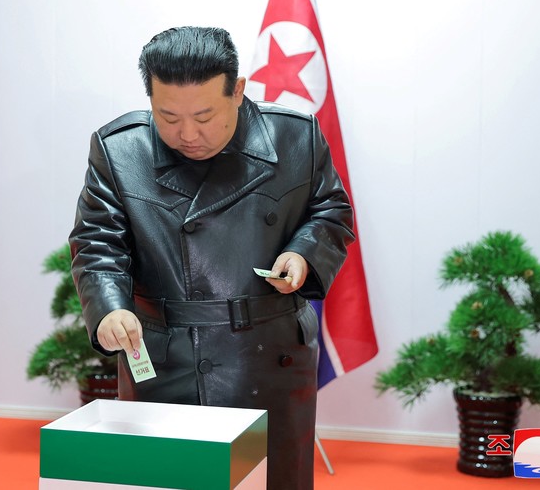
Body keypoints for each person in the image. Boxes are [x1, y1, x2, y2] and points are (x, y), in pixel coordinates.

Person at [69, 26, 354, 490]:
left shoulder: (294, 136)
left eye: (204, 116)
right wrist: (109, 307)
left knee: (270, 480)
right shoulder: (120, 149)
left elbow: (331, 211)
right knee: (167, 479)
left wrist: (303, 254)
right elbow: (99, 241)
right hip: (165, 355)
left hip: (268, 354)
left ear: (238, 91)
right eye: (168, 117)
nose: (187, 134)